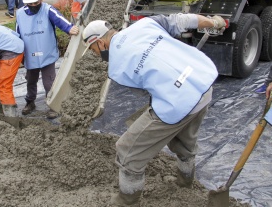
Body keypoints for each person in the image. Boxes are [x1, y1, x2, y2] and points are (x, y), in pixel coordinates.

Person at [82, 14, 227, 206]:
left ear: (99, 43)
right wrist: (213, 22)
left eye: (93, 50)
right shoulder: (145, 24)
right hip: (203, 81)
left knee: (127, 150)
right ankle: (185, 183)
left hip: (179, 101)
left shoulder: (115, 68)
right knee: (185, 138)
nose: (95, 54)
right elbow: (183, 20)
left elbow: (146, 89)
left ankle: (126, 201)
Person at [16, 0, 79, 119]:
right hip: (30, 55)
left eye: (36, 2)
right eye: (30, 3)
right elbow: (18, 34)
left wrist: (69, 28)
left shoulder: (47, 10)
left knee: (49, 82)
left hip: (47, 53)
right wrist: (18, 53)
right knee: (30, 80)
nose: (33, 6)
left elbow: (60, 20)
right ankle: (30, 102)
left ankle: (53, 105)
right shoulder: (20, 14)